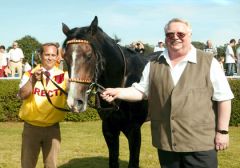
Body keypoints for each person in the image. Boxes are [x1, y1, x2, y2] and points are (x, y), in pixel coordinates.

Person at [101, 18, 234, 168]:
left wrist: (222, 132)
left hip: (201, 144)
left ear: (190, 35)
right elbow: (140, 91)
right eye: (170, 34)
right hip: (167, 144)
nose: (175, 37)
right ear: (165, 37)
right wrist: (119, 92)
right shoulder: (154, 64)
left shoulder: (209, 62)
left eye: (180, 34)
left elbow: (224, 98)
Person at [18, 43, 68, 168]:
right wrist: (33, 80)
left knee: (51, 165)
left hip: (53, 129)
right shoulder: (29, 74)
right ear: (40, 56)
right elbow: (22, 95)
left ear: (57, 57)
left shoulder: (64, 76)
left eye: (53, 55)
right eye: (47, 54)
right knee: (27, 165)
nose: (50, 58)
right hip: (31, 129)